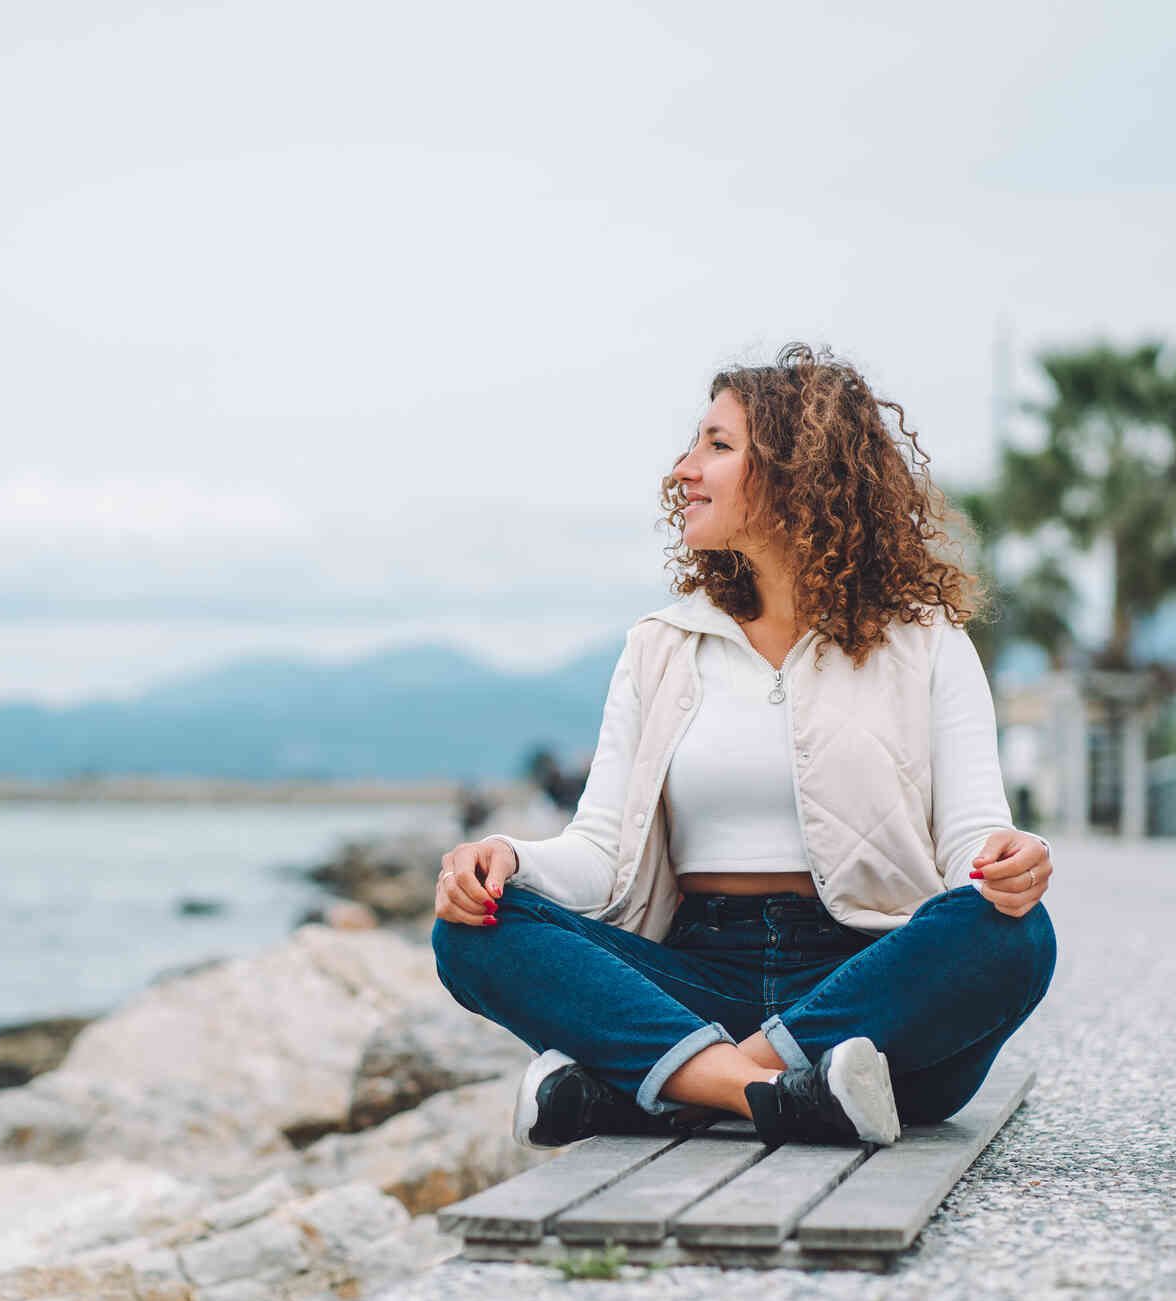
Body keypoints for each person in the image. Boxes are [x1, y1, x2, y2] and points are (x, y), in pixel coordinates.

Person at [430, 344, 1057, 1153]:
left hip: (869, 994)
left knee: (1014, 932)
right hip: (695, 979)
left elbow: (974, 836)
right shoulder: (659, 647)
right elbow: (598, 848)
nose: (683, 470)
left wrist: (1012, 859)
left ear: (802, 471)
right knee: (469, 928)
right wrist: (507, 858)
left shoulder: (926, 643)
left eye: (716, 446)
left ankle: (670, 1091)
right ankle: (774, 1095)